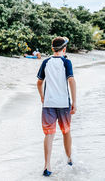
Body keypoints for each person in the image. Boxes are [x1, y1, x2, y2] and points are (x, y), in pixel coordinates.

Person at [36, 37, 77, 177]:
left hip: (48, 104)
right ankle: (69, 160)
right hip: (63, 104)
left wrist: (42, 96)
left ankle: (47, 166)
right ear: (64, 49)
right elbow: (71, 80)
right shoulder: (66, 62)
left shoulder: (46, 62)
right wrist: (74, 102)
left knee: (49, 134)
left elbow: (39, 82)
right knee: (66, 131)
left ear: (53, 49)